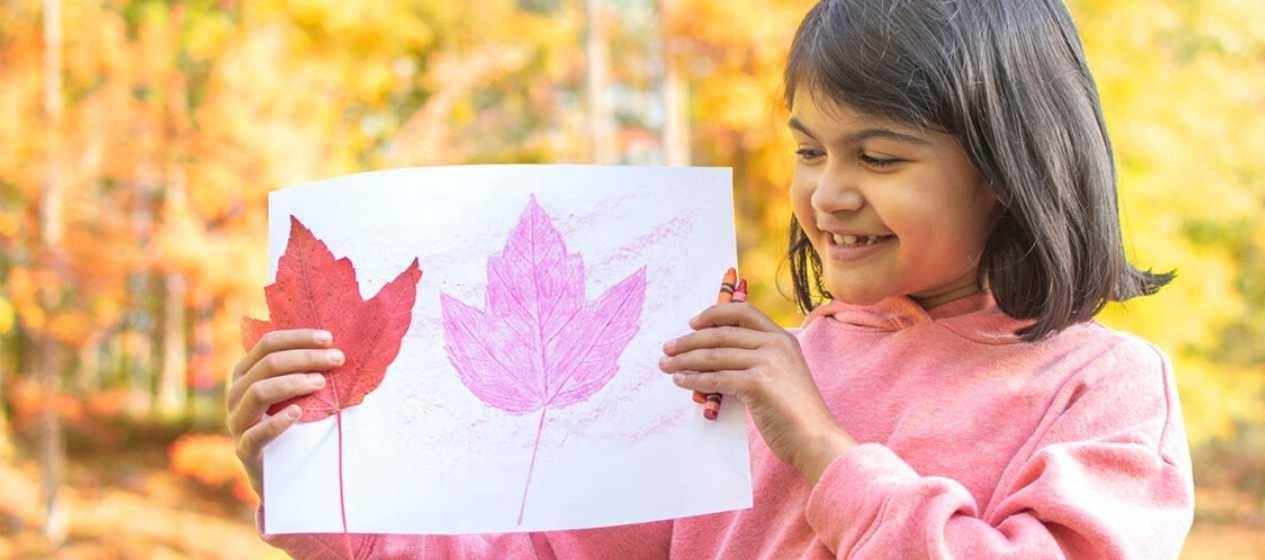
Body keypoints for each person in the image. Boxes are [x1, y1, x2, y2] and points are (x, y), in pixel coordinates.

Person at [227, 0, 1194, 557]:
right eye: (811, 151)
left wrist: (820, 446)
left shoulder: (1099, 388)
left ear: (1006, 168)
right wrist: (321, 499)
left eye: (881, 159)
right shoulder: (741, 368)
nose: (828, 195)